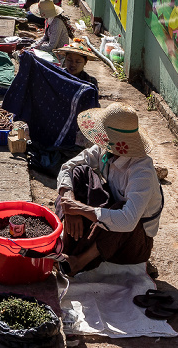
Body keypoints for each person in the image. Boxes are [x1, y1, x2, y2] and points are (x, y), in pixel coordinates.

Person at [55, 103, 163, 276]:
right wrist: (71, 204)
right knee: (79, 173)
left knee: (120, 210)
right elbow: (67, 167)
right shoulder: (106, 149)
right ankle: (68, 244)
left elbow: (127, 221)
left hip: (133, 242)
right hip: (109, 220)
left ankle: (79, 261)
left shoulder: (142, 171)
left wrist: (82, 209)